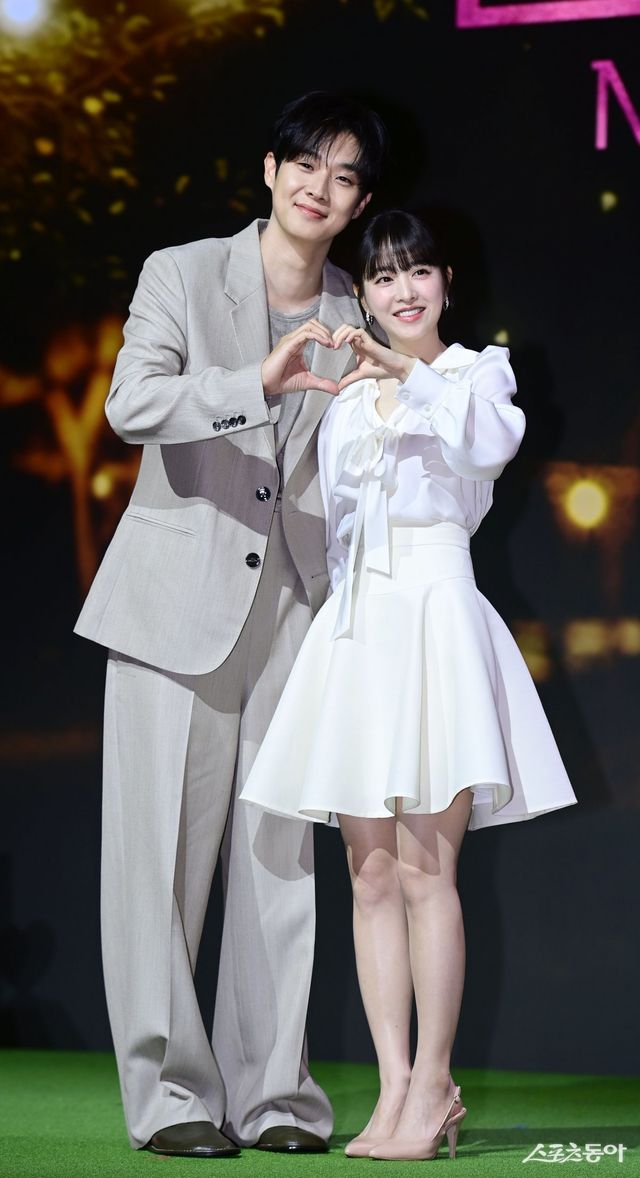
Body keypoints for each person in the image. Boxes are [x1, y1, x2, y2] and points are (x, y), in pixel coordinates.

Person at [74, 91, 389, 1159]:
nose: (320, 188)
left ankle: (274, 1096)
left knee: (278, 858)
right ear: (270, 169)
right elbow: (131, 404)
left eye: (345, 177)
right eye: (306, 164)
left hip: (296, 611)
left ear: (359, 203)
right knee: (158, 863)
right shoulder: (181, 272)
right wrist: (257, 378)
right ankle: (169, 1095)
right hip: (175, 603)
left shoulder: (356, 311)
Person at [240, 210, 577, 1162]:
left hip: (437, 622)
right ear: (365, 294)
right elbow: (334, 524)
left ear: (446, 282)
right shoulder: (347, 397)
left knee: (430, 871)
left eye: (418, 271)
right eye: (384, 277)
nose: (403, 290)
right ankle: (392, 1088)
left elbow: (486, 449)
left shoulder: (477, 374)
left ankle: (434, 1083)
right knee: (371, 873)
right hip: (362, 632)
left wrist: (406, 372)